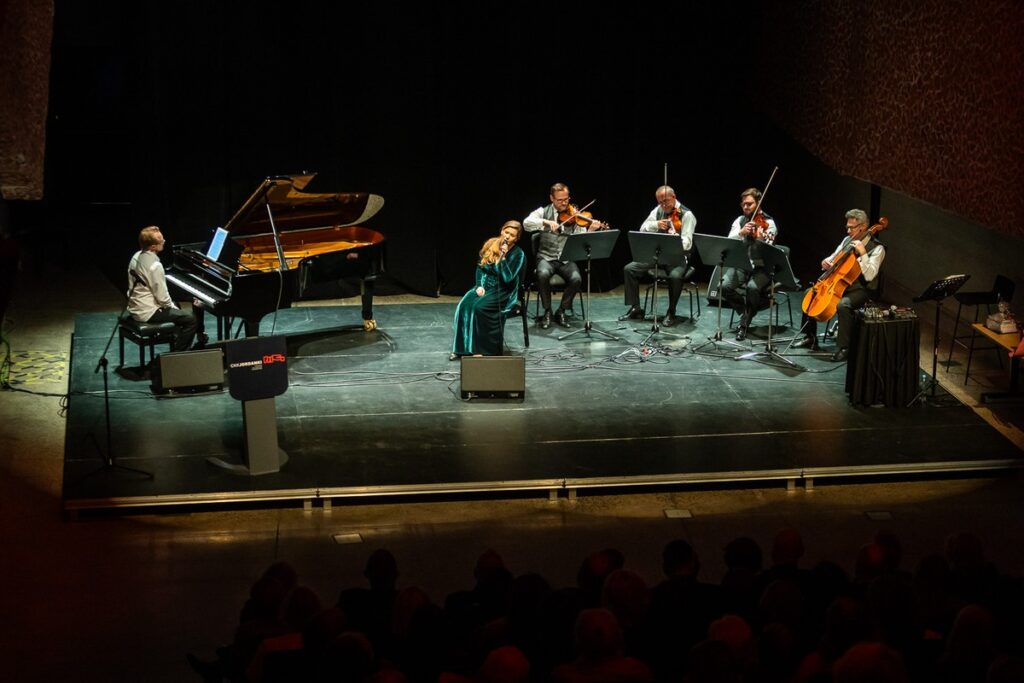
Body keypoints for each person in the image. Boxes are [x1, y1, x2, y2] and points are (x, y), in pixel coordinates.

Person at [793, 209, 885, 362]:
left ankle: (844, 348)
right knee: (810, 292)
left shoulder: (877, 248)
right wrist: (826, 262)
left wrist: (862, 253)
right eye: (847, 227)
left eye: (851, 228)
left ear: (862, 227)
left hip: (862, 289)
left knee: (843, 305)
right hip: (840, 283)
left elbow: (870, 276)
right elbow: (834, 257)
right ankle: (810, 337)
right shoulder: (846, 241)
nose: (848, 230)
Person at [523, 182, 606, 329]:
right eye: (560, 200)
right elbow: (526, 223)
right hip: (546, 257)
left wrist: (591, 229)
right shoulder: (543, 211)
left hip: (565, 258)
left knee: (576, 278)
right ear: (552, 198)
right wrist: (546, 222)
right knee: (542, 274)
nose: (564, 203)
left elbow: (582, 240)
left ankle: (561, 310)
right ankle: (547, 311)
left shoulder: (575, 215)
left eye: (566, 199)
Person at [619, 185, 696, 327]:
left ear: (674, 197)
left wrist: (674, 238)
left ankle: (671, 312)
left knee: (675, 276)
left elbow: (687, 243)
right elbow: (643, 228)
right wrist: (656, 224)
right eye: (660, 202)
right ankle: (636, 308)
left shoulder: (687, 215)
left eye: (666, 201)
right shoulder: (658, 210)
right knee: (630, 269)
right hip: (659, 256)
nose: (663, 205)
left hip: (678, 258)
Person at [451, 220, 525, 359]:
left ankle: (481, 349)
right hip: (485, 286)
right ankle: (461, 348)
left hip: (503, 290)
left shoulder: (518, 254)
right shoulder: (491, 244)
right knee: (464, 306)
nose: (508, 237)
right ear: (502, 230)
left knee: (479, 308)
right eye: (506, 232)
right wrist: (479, 285)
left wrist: (502, 259)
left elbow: (508, 278)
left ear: (516, 238)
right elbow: (480, 267)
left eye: (512, 235)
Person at [719, 187, 778, 341]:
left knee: (752, 288)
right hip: (743, 263)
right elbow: (729, 241)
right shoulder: (739, 221)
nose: (746, 207)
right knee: (724, 286)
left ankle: (744, 324)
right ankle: (748, 310)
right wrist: (742, 233)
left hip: (762, 267)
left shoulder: (769, 223)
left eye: (750, 204)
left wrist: (760, 239)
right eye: (744, 204)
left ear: (759, 203)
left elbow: (770, 248)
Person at [127, 225, 198, 352]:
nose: (164, 241)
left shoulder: (136, 255)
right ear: (153, 247)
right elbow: (163, 299)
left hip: (136, 307)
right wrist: (174, 307)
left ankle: (176, 341)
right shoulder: (155, 265)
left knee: (179, 312)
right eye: (161, 240)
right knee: (191, 320)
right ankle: (177, 357)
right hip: (149, 312)